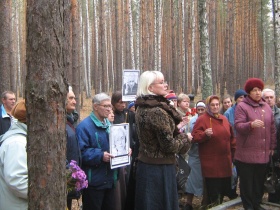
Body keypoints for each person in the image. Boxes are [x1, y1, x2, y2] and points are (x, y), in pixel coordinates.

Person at [134, 70, 190, 210]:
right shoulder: (157, 111)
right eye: (161, 82)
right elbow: (169, 146)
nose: (166, 85)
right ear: (150, 87)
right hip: (159, 169)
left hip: (147, 165)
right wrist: (185, 137)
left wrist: (176, 129)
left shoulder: (142, 106)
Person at [235, 78, 276, 210]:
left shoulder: (266, 107)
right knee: (247, 183)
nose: (258, 93)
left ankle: (256, 204)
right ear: (249, 92)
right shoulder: (242, 106)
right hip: (246, 153)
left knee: (259, 182)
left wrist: (272, 147)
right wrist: (250, 125)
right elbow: (238, 126)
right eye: (254, 90)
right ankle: (248, 206)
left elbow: (272, 129)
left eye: (259, 90)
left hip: (263, 153)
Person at [191, 95, 236, 207]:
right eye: (212, 105)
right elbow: (194, 137)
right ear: (208, 106)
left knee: (223, 189)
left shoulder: (224, 119)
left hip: (225, 161)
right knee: (214, 192)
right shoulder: (202, 119)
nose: (215, 107)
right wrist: (204, 134)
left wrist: (234, 153)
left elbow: (231, 138)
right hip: (211, 163)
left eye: (217, 104)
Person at [76, 93, 117, 210]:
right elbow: (81, 153)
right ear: (95, 107)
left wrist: (124, 150)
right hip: (94, 182)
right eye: (105, 106)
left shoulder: (109, 125)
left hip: (110, 179)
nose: (109, 109)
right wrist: (100, 155)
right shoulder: (84, 127)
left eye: (110, 106)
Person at [0, 100, 28, 210]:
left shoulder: (21, 139)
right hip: (17, 206)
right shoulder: (17, 143)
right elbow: (17, 180)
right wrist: (46, 191)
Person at [223, 89, 247, 200]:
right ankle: (231, 192)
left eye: (244, 97)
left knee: (244, 171)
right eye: (240, 97)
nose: (243, 99)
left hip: (246, 145)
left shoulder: (248, 110)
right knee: (234, 171)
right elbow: (225, 131)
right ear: (236, 99)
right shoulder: (229, 113)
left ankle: (245, 193)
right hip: (233, 145)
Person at [183, 101, 206, 210]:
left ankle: (205, 200)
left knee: (206, 178)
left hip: (207, 154)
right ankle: (189, 202)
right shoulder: (191, 121)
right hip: (194, 153)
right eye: (199, 109)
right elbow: (186, 134)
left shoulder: (209, 120)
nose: (200, 112)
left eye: (202, 109)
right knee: (191, 178)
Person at [262, 88, 280, 204]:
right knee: (263, 177)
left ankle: (275, 200)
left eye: (271, 97)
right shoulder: (259, 113)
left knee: (277, 177)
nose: (269, 100)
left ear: (275, 98)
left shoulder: (279, 114)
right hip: (262, 151)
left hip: (277, 151)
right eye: (266, 98)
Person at [66, 86, 82, 209]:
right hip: (66, 179)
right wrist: (69, 174)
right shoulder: (58, 122)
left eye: (74, 98)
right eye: (71, 98)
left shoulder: (71, 121)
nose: (74, 101)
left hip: (71, 179)